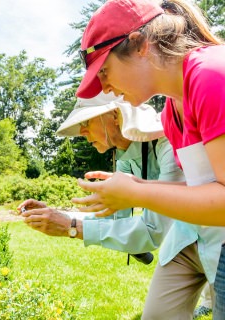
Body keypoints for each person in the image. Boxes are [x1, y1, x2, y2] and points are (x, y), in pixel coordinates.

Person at [72, 0, 225, 319]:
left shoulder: (211, 76)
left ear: (140, 45)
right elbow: (205, 187)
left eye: (104, 71)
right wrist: (136, 185)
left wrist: (138, 194)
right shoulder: (171, 112)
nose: (105, 87)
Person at [19, 92, 184, 267]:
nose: (82, 132)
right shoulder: (125, 160)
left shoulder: (167, 145)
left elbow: (151, 232)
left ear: (115, 115)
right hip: (179, 246)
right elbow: (114, 220)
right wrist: (56, 216)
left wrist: (70, 227)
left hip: (209, 240)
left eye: (86, 122)